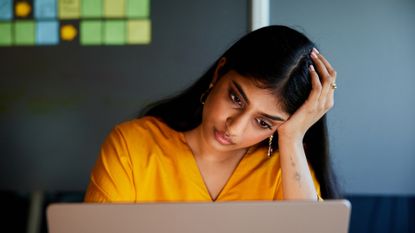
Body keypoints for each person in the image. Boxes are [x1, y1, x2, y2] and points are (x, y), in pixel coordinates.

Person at [84, 25, 340, 203]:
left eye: (262, 122)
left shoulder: (286, 170)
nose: (234, 128)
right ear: (219, 74)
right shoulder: (131, 146)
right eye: (236, 98)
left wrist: (292, 138)